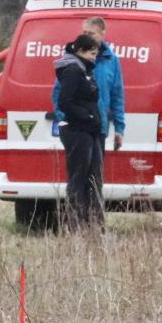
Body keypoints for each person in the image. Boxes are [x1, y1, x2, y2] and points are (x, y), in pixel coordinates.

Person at [54, 33, 105, 229]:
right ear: (81, 51)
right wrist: (87, 116)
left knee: (94, 177)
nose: (94, 58)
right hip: (77, 131)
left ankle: (93, 224)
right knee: (78, 178)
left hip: (90, 131)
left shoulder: (85, 70)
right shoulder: (73, 71)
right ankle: (75, 223)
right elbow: (64, 102)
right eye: (92, 54)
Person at [52, 16, 125, 154]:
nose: (87, 36)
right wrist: (64, 117)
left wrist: (119, 129)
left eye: (91, 33)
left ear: (102, 34)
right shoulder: (73, 60)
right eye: (84, 33)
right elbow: (58, 92)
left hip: (99, 126)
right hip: (77, 127)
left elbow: (117, 96)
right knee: (79, 166)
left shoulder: (112, 60)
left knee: (96, 167)